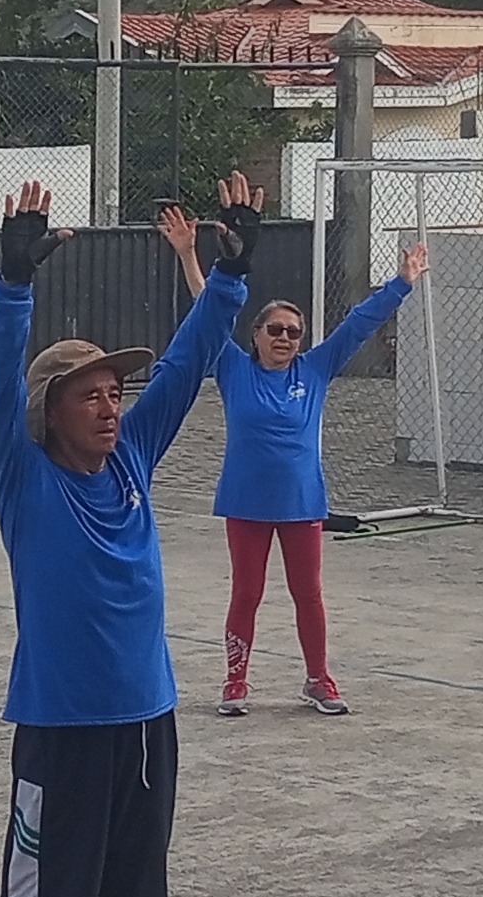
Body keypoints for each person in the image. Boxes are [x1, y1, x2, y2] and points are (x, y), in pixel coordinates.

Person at [0, 181, 245, 897]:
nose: (107, 406)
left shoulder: (130, 460)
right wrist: (13, 285)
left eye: (111, 393)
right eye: (87, 395)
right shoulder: (22, 477)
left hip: (146, 724)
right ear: (47, 412)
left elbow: (184, 365)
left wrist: (230, 276)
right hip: (61, 731)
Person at [170, 167, 423, 714]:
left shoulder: (315, 368)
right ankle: (235, 682)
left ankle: (318, 679)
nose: (285, 337)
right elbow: (208, 313)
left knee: (308, 594)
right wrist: (189, 255)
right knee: (247, 593)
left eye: (293, 331)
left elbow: (358, 324)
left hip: (303, 502)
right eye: (275, 329)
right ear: (256, 334)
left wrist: (401, 283)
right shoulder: (233, 367)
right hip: (245, 502)